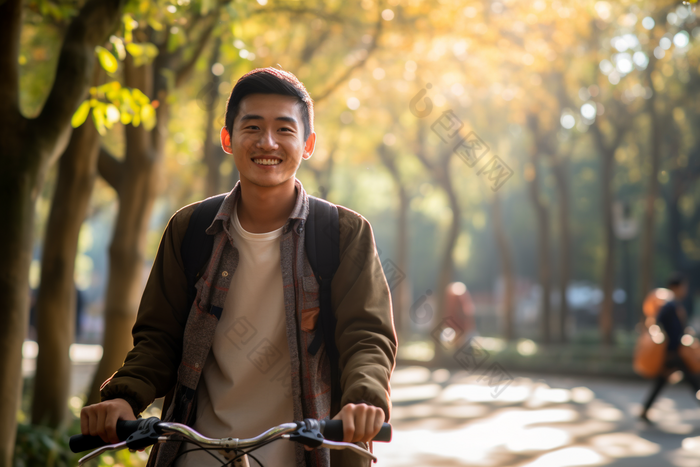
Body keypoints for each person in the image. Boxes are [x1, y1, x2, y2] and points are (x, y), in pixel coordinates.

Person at [80, 68, 398, 467]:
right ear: (228, 139)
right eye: (253, 127)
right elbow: (158, 339)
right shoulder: (190, 229)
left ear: (308, 144)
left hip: (310, 455)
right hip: (195, 454)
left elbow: (366, 336)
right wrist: (123, 398)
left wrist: (364, 401)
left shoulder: (342, 233)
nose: (268, 142)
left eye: (285, 129)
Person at [640, 273, 699, 423]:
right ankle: (645, 411)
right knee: (694, 380)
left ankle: (645, 411)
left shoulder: (672, 304)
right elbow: (657, 323)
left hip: (673, 352)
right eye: (684, 286)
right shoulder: (669, 305)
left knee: (661, 381)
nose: (685, 290)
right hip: (674, 353)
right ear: (676, 287)